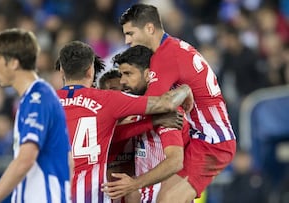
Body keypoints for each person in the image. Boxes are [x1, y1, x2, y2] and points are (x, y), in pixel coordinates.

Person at [103, 4, 237, 203]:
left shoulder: (164, 58)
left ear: (149, 28)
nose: (127, 41)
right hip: (199, 138)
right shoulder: (174, 47)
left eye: (130, 33)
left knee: (167, 199)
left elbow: (157, 105)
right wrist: (184, 90)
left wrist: (183, 92)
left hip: (211, 142)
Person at [56, 40, 193, 203]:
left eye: (127, 74)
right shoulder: (107, 100)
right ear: (90, 71)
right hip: (91, 196)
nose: (122, 82)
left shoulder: (45, 102)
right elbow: (166, 103)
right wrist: (185, 89)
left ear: (62, 71)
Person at [0, 28, 72, 203]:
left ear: (14, 63)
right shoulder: (33, 98)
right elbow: (69, 161)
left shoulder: (38, 97)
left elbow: (25, 159)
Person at [103, 45, 190, 202]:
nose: (122, 81)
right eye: (122, 75)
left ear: (148, 74)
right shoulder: (139, 110)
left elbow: (175, 162)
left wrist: (134, 183)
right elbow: (113, 135)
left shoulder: (167, 111)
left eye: (128, 74)